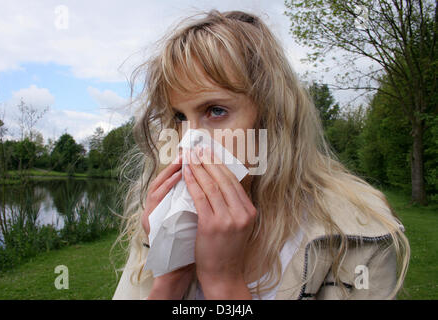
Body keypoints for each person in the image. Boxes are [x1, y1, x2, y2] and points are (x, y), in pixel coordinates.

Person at [111, 9, 409, 300]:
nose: (188, 142)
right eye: (179, 116)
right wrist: (169, 277)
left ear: (272, 117)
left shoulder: (357, 235)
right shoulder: (166, 215)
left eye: (216, 111)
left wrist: (222, 280)